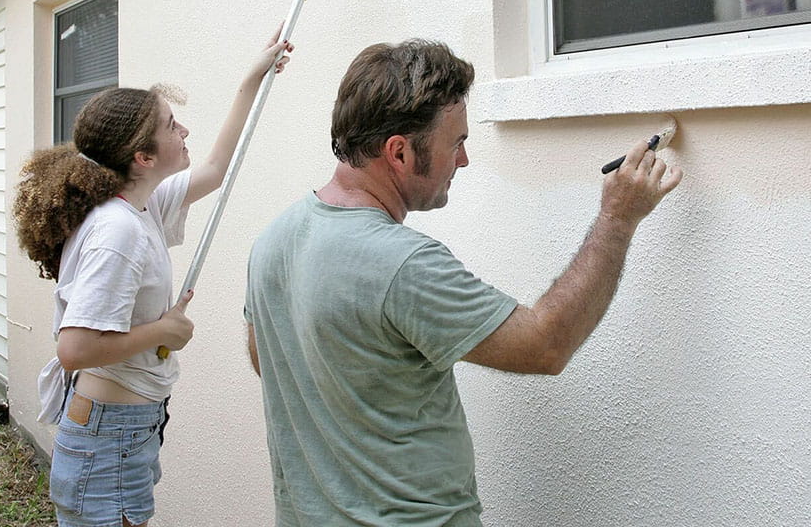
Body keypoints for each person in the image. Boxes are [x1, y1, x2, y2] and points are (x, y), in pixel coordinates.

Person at [244, 39, 682, 527]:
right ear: (400, 152)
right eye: (456, 143)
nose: (465, 160)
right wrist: (617, 218)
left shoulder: (273, 241)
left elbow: (270, 360)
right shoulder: (403, 265)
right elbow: (546, 346)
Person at [13, 29, 293, 527]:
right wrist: (164, 332)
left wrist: (252, 79)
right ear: (142, 157)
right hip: (109, 439)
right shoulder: (118, 230)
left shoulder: (139, 205)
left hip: (120, 432)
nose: (183, 130)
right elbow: (74, 348)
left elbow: (214, 169)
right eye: (171, 126)